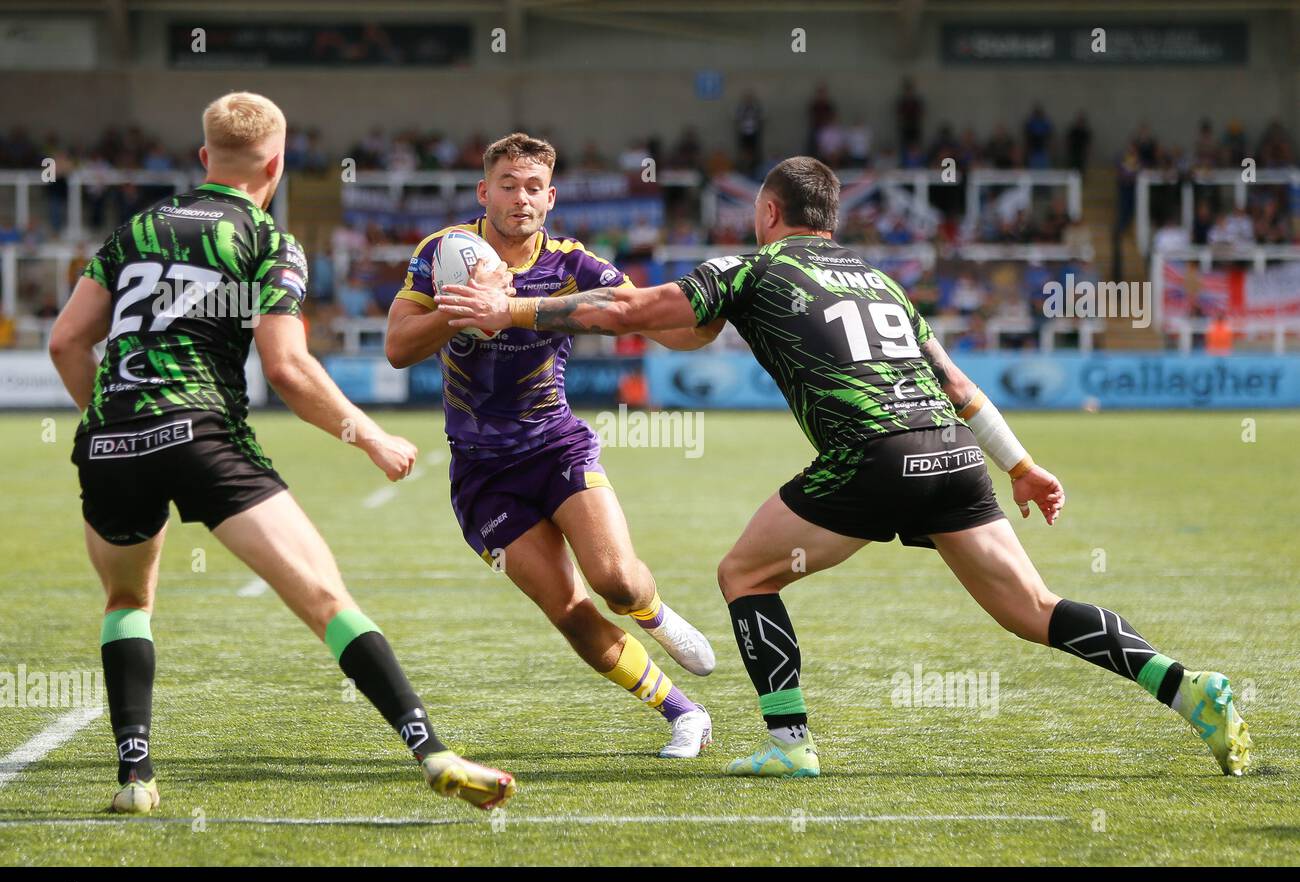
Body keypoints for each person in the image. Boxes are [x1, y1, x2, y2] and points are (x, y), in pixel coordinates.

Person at [437, 156, 1252, 780]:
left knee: (744, 574)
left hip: (872, 454)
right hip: (952, 452)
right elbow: (960, 385)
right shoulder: (882, 280)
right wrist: (1025, 465)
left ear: (768, 213)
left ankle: (790, 743)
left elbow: (630, 310)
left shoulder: (752, 267)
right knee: (1033, 607)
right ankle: (1184, 686)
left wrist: (511, 308)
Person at [47, 91, 514, 814]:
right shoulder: (264, 238)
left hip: (111, 441)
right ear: (277, 163)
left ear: (206, 158)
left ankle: (135, 778)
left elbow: (65, 341)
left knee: (127, 600)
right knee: (326, 600)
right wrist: (370, 435)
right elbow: (289, 370)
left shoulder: (136, 228)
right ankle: (433, 752)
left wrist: (111, 423)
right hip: (202, 433)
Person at [385, 133, 716, 759]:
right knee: (567, 606)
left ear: (551, 197)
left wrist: (711, 322)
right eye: (507, 185)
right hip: (482, 475)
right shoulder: (442, 253)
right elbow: (399, 348)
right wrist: (460, 309)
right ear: (484, 192)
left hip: (556, 446)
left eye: (533, 187)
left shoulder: (571, 263)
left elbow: (642, 317)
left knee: (615, 581)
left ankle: (655, 615)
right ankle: (684, 713)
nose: (520, 197)